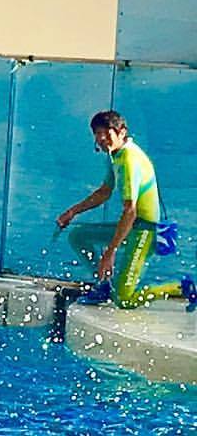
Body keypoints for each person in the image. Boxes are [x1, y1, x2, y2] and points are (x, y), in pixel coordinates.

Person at [56, 110, 196, 310]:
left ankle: (180, 289)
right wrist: (73, 211)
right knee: (78, 236)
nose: (101, 138)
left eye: (107, 133)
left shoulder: (130, 159)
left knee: (124, 299)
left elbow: (130, 211)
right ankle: (104, 283)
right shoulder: (115, 155)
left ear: (122, 132)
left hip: (144, 230)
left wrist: (110, 252)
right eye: (97, 133)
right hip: (133, 226)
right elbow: (105, 192)